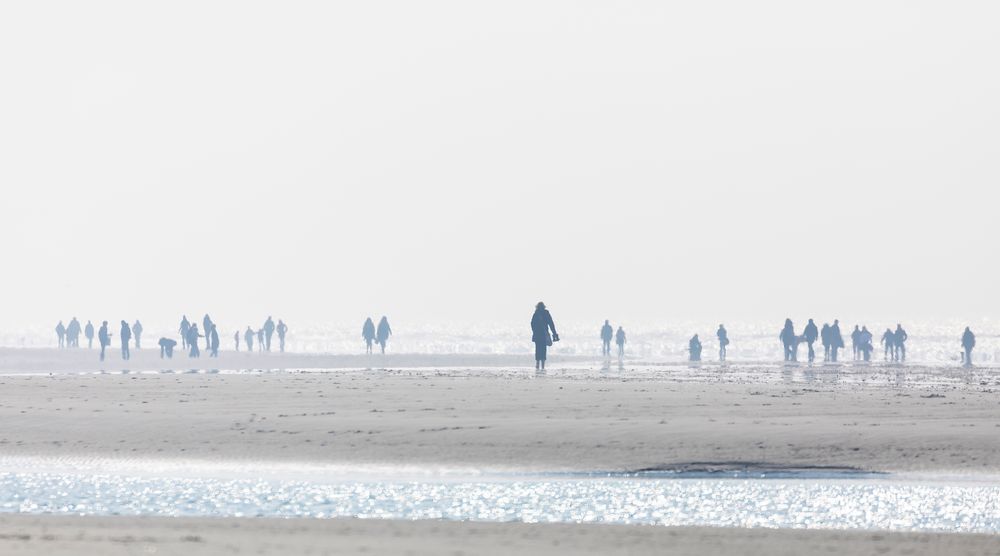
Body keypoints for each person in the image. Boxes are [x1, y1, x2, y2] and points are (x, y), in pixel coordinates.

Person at [530, 302, 558, 370]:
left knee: (538, 349)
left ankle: (537, 364)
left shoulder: (536, 314)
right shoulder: (546, 313)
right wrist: (554, 333)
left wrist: (535, 331)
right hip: (543, 334)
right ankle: (542, 365)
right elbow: (551, 324)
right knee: (543, 349)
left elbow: (532, 324)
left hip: (537, 334)